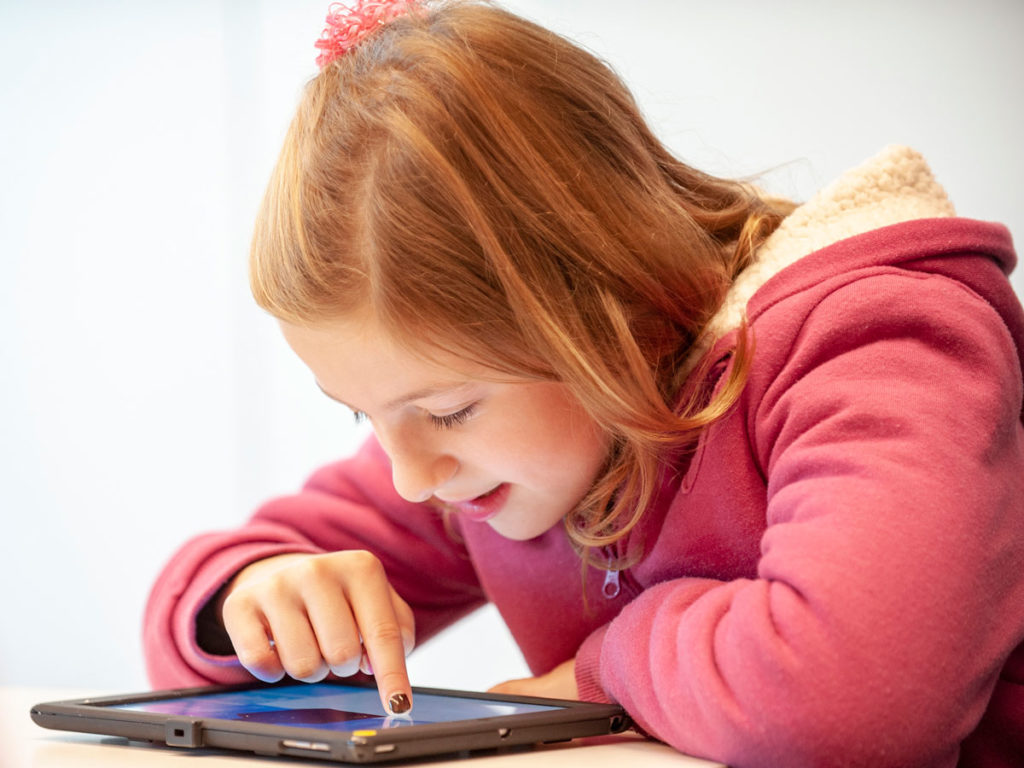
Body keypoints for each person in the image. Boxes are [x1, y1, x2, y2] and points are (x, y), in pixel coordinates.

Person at [143, 0, 1024, 765]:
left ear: (607, 307)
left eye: (446, 411)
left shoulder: (876, 342)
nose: (412, 476)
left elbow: (853, 701)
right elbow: (194, 620)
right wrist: (255, 604)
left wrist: (601, 669)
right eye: (366, 418)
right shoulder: (495, 456)